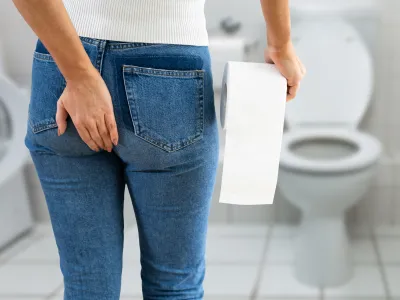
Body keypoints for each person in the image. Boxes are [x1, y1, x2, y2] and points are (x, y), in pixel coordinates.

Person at [13, 0, 305, 299]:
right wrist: (280, 44)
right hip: (168, 64)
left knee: (86, 284)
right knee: (174, 285)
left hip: (60, 64)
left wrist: (80, 77)